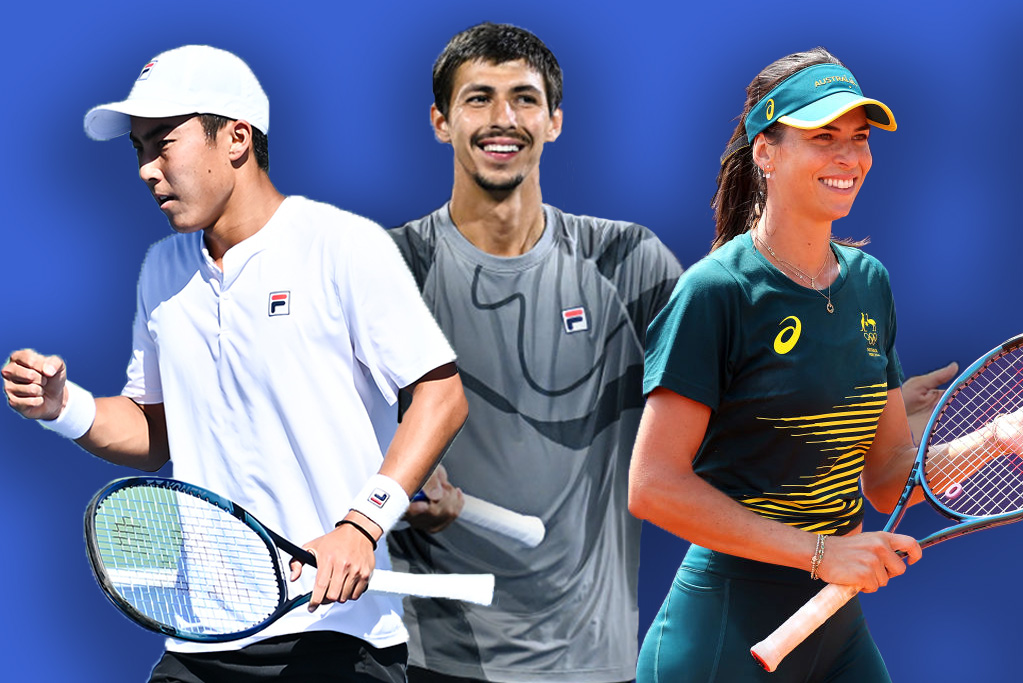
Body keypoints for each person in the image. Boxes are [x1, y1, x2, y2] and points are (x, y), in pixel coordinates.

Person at [1, 45, 467, 683]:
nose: (145, 170)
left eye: (162, 143)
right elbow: (153, 433)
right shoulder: (160, 272)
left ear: (237, 139)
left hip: (335, 636)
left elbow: (441, 397)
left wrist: (362, 525)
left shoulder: (343, 245)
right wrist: (64, 408)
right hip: (199, 639)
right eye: (137, 150)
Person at [627, 47, 1021, 682]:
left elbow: (891, 477)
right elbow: (654, 486)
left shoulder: (870, 284)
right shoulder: (715, 293)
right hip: (723, 635)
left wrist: (999, 439)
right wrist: (821, 554)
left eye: (859, 139)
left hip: (833, 631)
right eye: (823, 138)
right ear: (766, 151)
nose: (849, 158)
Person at [386, 22, 684, 683]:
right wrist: (391, 478)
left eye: (522, 98)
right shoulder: (391, 267)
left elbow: (733, 397)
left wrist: (879, 409)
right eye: (477, 98)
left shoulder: (627, 262)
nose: (502, 119)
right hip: (432, 658)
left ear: (553, 121)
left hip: (592, 659)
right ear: (440, 121)